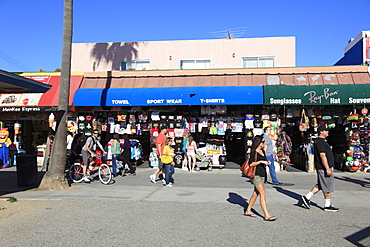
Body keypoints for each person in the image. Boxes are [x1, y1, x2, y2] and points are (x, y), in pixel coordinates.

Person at [301, 126, 339, 212]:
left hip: (322, 167)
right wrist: (327, 168)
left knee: (321, 184)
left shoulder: (319, 141)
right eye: (326, 131)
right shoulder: (321, 142)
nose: (328, 132)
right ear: (321, 132)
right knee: (327, 186)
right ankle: (327, 205)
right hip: (324, 167)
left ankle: (307, 197)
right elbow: (322, 156)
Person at [244, 135, 278, 221]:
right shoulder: (254, 152)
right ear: (258, 143)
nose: (264, 143)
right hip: (256, 175)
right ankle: (267, 214)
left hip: (262, 174)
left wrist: (266, 162)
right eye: (262, 142)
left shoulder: (262, 150)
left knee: (256, 193)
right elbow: (251, 164)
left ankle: (248, 210)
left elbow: (263, 160)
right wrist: (260, 161)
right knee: (263, 194)